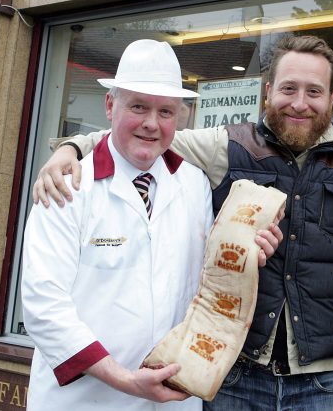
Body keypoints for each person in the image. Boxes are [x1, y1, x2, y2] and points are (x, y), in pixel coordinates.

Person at [32, 36, 333, 411]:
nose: (299, 102)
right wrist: (69, 149)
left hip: (325, 382)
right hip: (236, 376)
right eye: (288, 89)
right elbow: (146, 132)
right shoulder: (227, 148)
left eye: (314, 91)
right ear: (267, 92)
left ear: (332, 98)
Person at [21, 39, 281, 411]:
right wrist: (125, 379)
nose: (151, 124)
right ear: (110, 105)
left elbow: (204, 280)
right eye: (138, 106)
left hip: (173, 400)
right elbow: (43, 306)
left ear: (181, 116)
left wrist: (244, 254)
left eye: (165, 112)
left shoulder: (192, 183)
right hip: (83, 400)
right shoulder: (68, 184)